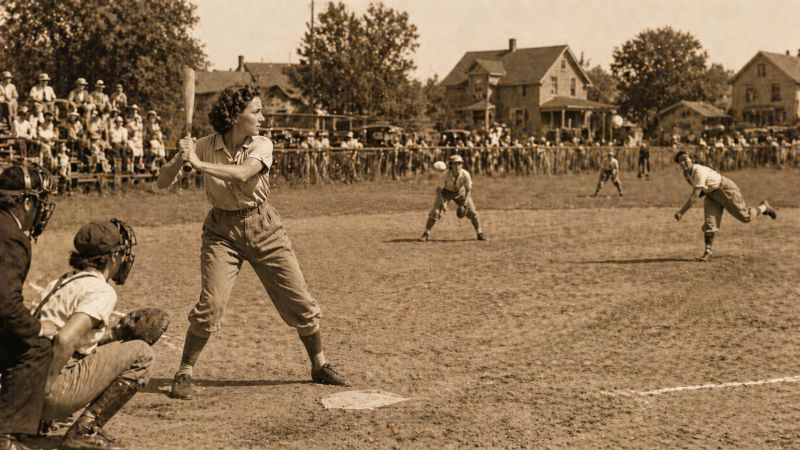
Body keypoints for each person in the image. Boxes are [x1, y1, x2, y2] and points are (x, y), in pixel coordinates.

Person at [156, 85, 347, 400]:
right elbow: (162, 182)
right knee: (211, 304)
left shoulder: (262, 144)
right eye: (255, 112)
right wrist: (182, 156)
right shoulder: (203, 145)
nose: (262, 117)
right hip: (221, 233)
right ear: (235, 117)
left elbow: (243, 173)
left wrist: (199, 164)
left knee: (299, 301)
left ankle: (319, 364)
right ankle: (184, 372)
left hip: (264, 228)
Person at [31, 219, 152, 450]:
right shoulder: (101, 291)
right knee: (142, 353)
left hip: (18, 385)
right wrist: (43, 389)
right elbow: (65, 340)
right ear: (113, 257)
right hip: (44, 393)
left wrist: (115, 335)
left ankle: (38, 419)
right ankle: (83, 432)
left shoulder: (58, 283)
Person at [0, 164, 56, 450]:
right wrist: (36, 327)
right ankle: (7, 434)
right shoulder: (12, 235)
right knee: (36, 344)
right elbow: (5, 305)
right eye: (39, 201)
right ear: (25, 201)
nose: (41, 209)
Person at [673, 150, 777, 261]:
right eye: (680, 161)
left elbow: (695, 196)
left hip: (725, 189)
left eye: (685, 159)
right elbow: (701, 191)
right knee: (710, 223)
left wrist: (681, 212)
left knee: (745, 217)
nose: (682, 162)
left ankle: (764, 207)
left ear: (692, 160)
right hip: (711, 194)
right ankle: (707, 252)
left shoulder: (698, 171)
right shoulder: (686, 174)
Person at [419, 154, 486, 242]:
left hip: (460, 192)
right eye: (455, 164)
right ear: (451, 165)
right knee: (435, 212)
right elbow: (438, 190)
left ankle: (479, 233)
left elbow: (468, 189)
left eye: (459, 164)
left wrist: (465, 203)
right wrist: (443, 204)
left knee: (472, 212)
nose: (458, 166)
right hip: (445, 193)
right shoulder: (445, 174)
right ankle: (426, 233)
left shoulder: (465, 174)